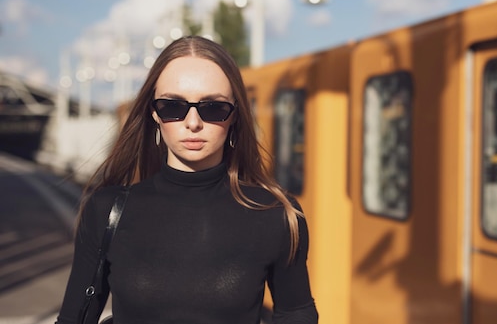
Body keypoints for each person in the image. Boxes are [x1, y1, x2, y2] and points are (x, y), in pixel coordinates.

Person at [55, 36, 318, 324]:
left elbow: (296, 313)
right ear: (154, 113)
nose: (193, 122)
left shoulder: (277, 215)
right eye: (173, 107)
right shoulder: (107, 210)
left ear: (235, 116)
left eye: (213, 108)